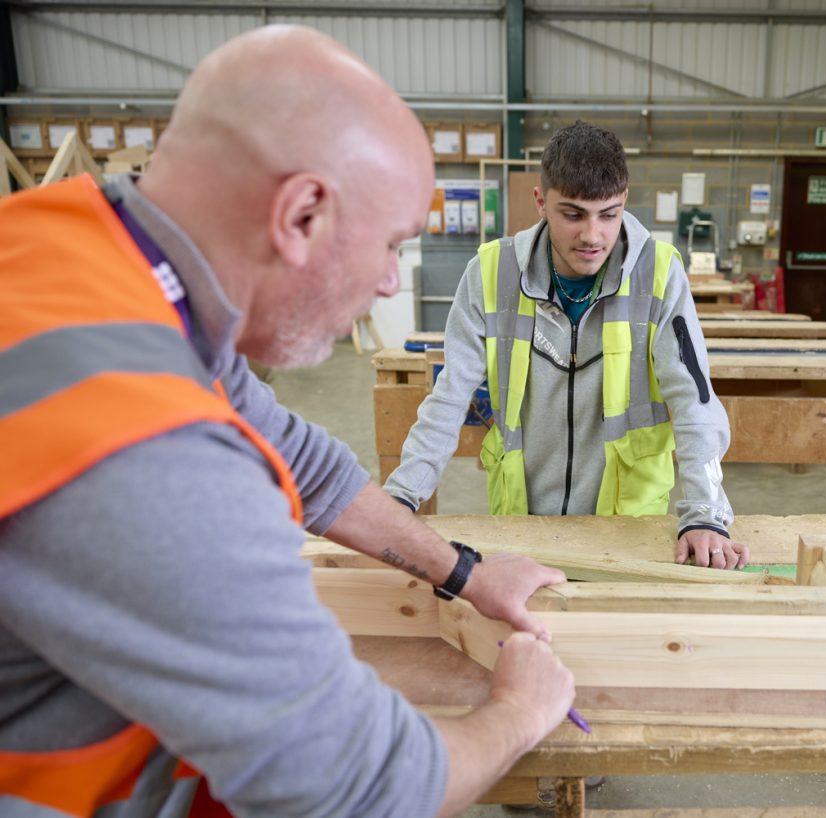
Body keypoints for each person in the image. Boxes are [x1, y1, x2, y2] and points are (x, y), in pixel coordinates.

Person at [0, 25, 575, 818]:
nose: (383, 284)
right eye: (388, 246)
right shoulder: (147, 451)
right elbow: (357, 788)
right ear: (301, 213)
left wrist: (466, 572)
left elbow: (297, 457)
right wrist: (519, 710)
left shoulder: (73, 250)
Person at [384, 121, 750, 570]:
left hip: (628, 528)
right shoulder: (491, 273)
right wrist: (401, 497)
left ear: (625, 201)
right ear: (541, 201)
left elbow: (695, 400)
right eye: (573, 214)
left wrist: (707, 515)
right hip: (522, 523)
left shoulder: (659, 273)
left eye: (609, 214)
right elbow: (449, 396)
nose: (593, 235)